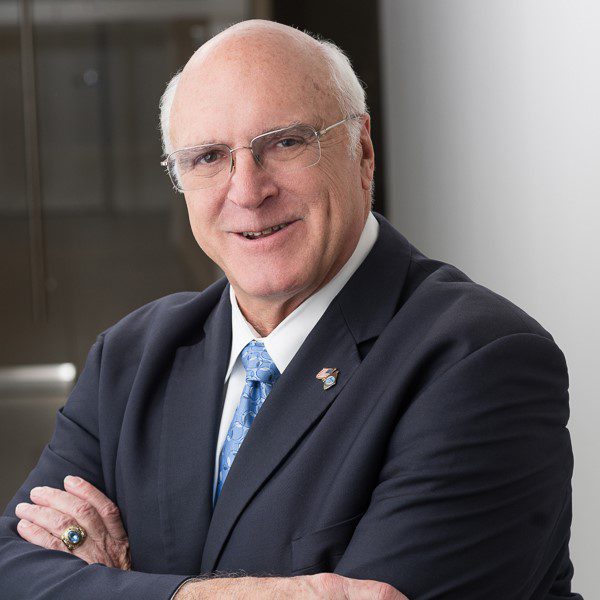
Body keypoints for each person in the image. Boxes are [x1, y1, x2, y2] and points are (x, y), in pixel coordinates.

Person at [0, 19, 581, 600]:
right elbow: (10, 569)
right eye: (208, 157)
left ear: (362, 152)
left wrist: (115, 583)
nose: (247, 192)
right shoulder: (129, 359)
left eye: (285, 142)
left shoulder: (480, 360)